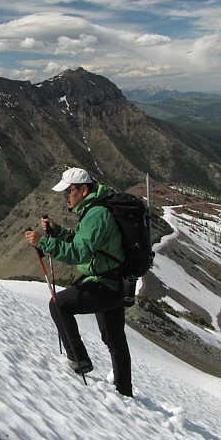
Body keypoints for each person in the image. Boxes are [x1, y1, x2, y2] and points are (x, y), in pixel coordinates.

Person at [24, 167, 133, 397]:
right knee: (115, 338)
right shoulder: (97, 209)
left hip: (104, 283)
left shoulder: (96, 215)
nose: (65, 197)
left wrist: (43, 243)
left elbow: (79, 253)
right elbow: (83, 241)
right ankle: (124, 391)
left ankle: (78, 359)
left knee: (59, 305)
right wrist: (57, 231)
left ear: (83, 190)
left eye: (68, 191)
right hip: (114, 282)